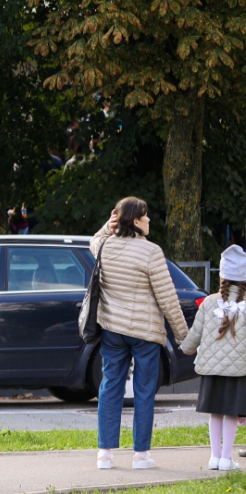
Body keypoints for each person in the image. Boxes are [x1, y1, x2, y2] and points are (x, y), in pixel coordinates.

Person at [87, 197, 190, 471]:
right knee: (144, 392)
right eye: (145, 216)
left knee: (110, 387)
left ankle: (105, 454)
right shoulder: (151, 252)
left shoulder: (105, 246)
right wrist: (183, 337)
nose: (149, 221)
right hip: (144, 333)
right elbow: (168, 299)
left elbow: (93, 242)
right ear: (136, 221)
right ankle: (141, 455)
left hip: (112, 330)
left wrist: (106, 226)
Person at [180, 245, 246, 471]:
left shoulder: (208, 302)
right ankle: (227, 458)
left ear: (222, 276)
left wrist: (185, 348)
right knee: (230, 412)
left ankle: (215, 457)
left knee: (215, 412)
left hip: (211, 368)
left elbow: (195, 333)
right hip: (238, 369)